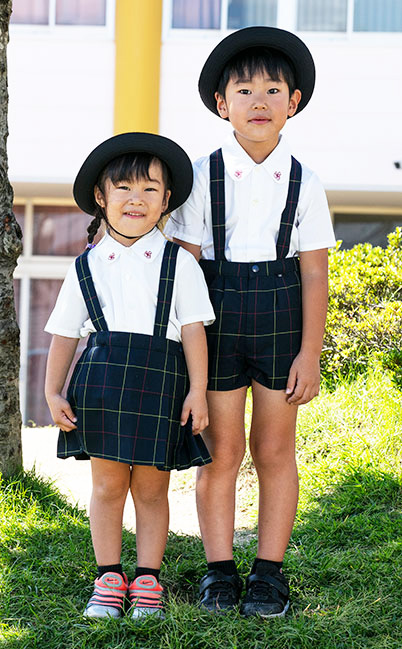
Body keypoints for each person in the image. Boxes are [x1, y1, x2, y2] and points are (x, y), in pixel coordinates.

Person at [164, 27, 336, 618]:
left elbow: (315, 274)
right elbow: (184, 269)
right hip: (214, 315)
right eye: (243, 90)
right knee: (221, 447)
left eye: (272, 90)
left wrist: (309, 352)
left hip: (281, 314)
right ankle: (218, 572)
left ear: (293, 102)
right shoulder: (198, 175)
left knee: (274, 447)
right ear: (222, 104)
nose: (258, 101)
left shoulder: (305, 183)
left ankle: (268, 573)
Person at [44, 132, 215, 620]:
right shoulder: (85, 266)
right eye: (122, 188)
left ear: (166, 200)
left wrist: (198, 392)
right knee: (106, 486)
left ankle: (147, 582)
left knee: (152, 489)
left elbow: (193, 331)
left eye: (149, 189)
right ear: (101, 198)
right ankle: (108, 578)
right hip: (102, 384)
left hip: (161, 383)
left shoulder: (179, 263)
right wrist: (52, 390)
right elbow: (63, 333)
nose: (135, 199)